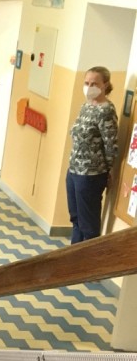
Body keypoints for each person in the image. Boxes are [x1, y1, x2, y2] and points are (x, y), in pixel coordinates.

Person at [66, 66, 119, 243]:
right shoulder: (86, 105)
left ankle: (89, 258)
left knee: (88, 226)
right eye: (87, 83)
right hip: (74, 169)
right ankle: (73, 256)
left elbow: (111, 144)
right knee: (76, 219)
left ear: (105, 85)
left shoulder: (106, 111)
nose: (89, 87)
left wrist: (110, 170)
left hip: (90, 174)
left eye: (94, 84)